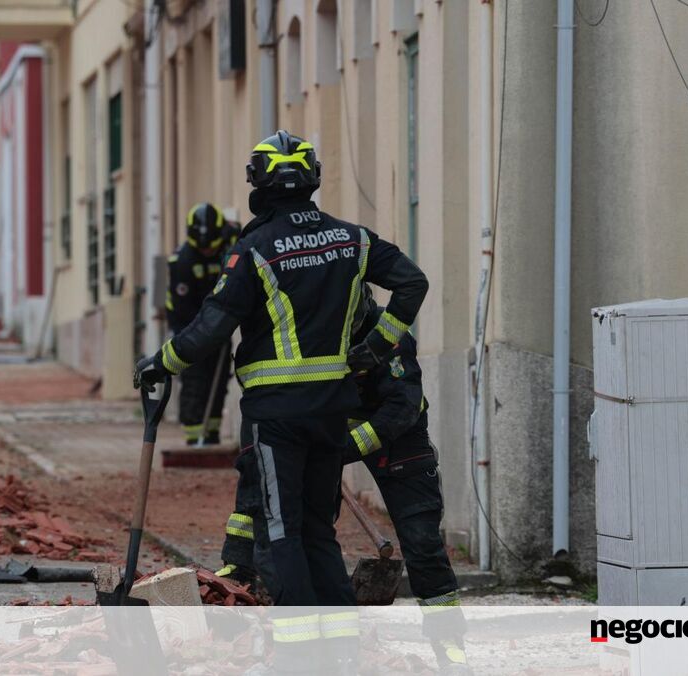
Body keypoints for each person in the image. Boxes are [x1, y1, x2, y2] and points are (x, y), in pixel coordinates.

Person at [135, 130, 429, 672]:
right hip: (332, 409)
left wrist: (160, 362)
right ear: (312, 179)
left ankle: (296, 653)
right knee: (318, 530)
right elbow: (413, 282)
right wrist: (377, 345)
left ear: (259, 184)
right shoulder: (353, 239)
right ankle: (340, 650)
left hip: (277, 416)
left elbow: (211, 327)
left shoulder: (255, 248)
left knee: (279, 532)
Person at [218, 284, 470, 674]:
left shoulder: (389, 333)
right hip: (327, 433)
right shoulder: (306, 331)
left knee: (422, 541)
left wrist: (342, 448)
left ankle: (449, 644)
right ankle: (309, 633)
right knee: (302, 526)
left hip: (397, 436)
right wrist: (238, 561)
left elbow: (402, 406)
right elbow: (258, 473)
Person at [165, 202, 231, 444]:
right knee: (195, 382)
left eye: (211, 246)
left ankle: (212, 434)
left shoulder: (227, 246)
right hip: (188, 327)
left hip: (217, 327)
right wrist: (206, 333)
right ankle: (194, 438)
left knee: (219, 381)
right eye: (203, 248)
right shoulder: (182, 261)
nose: (207, 251)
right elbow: (183, 309)